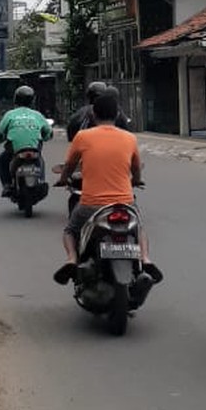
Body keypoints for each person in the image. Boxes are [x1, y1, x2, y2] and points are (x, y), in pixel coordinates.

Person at [53, 88, 161, 286]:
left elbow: (69, 165)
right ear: (118, 114)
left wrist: (63, 178)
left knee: (70, 230)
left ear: (94, 114)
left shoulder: (83, 136)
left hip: (91, 204)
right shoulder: (130, 138)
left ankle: (72, 260)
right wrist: (136, 180)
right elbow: (136, 167)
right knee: (139, 228)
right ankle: (145, 258)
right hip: (124, 203)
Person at [0, 84, 53, 195]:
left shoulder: (10, 114)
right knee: (40, 161)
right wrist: (45, 137)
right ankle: (41, 181)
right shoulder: (37, 115)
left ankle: (7, 185)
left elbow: (0, 132)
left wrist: (1, 139)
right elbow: (48, 132)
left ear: (15, 99)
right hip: (34, 150)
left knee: (2, 160)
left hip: (15, 151)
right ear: (32, 100)